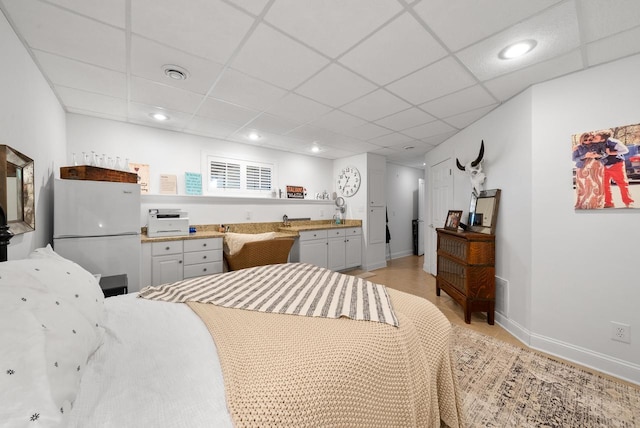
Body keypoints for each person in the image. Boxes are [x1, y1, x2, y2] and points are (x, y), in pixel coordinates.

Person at [592, 130, 635, 208]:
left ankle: (628, 202)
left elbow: (626, 150)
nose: (594, 137)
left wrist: (611, 153)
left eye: (596, 137)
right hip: (604, 165)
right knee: (604, 185)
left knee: (622, 183)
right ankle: (608, 203)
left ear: (602, 139)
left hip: (616, 164)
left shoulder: (614, 142)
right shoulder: (595, 143)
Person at [572, 132, 606, 209]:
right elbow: (574, 159)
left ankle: (596, 204)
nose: (588, 141)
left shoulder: (598, 145)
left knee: (597, 186)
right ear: (582, 140)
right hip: (582, 168)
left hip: (597, 168)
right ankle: (584, 204)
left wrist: (598, 155)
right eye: (585, 140)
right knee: (584, 187)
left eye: (590, 139)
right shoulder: (578, 147)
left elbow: (605, 154)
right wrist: (585, 156)